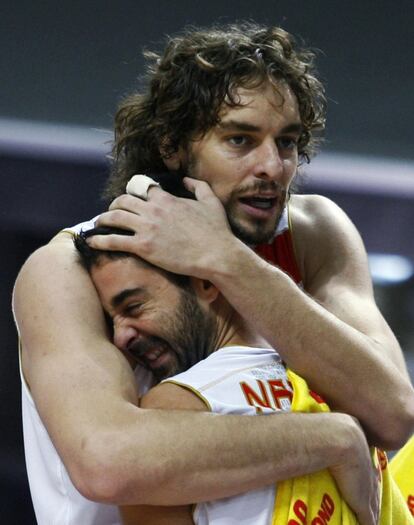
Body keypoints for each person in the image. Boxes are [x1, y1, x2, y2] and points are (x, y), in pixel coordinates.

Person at [12, 21, 414, 524]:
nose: (272, 165)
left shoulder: (311, 232)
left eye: (287, 142)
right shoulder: (68, 265)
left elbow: (393, 413)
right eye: (240, 140)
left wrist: (226, 258)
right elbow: (107, 462)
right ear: (171, 146)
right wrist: (334, 438)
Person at [73, 225, 412, 524]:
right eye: (111, 320)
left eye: (134, 307)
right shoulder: (340, 383)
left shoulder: (177, 403)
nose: (121, 336)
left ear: (206, 282)